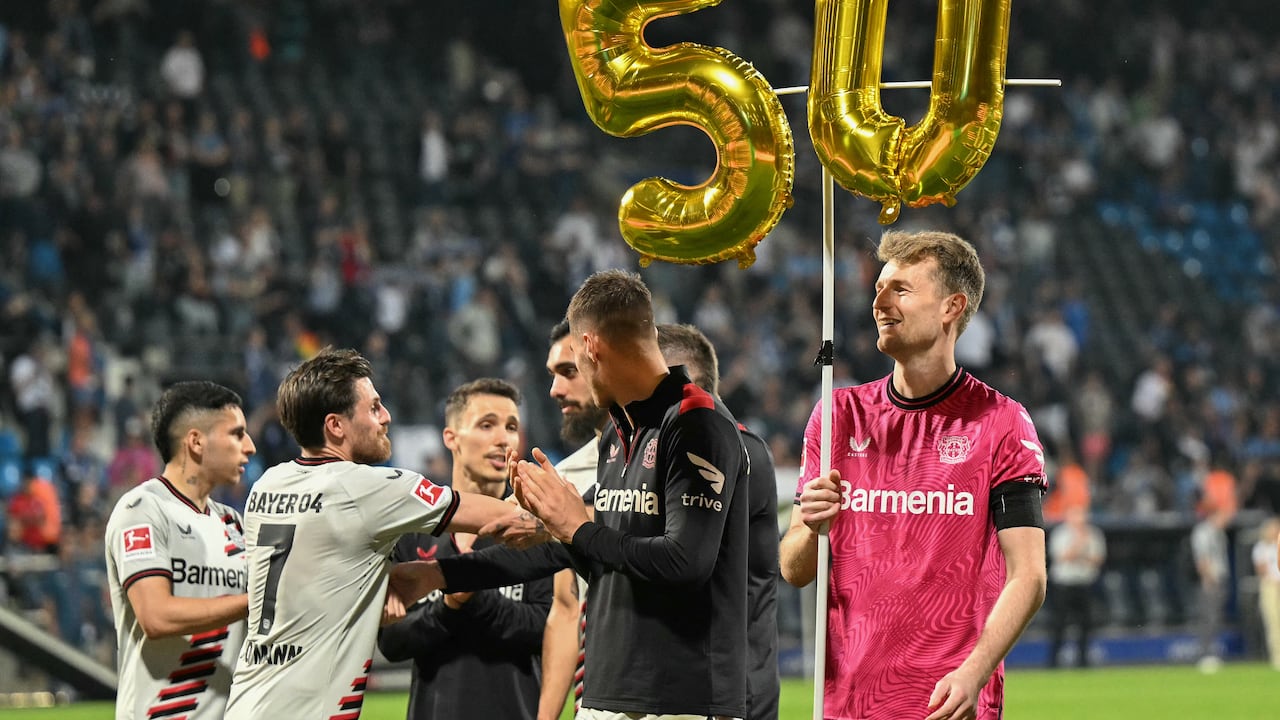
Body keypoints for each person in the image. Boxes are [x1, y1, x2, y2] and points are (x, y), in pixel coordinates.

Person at [423, 270, 751, 719]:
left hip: (679, 699)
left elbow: (685, 562)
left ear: (592, 347)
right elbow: (594, 554)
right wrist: (441, 576)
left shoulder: (698, 422)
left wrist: (575, 527)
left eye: (574, 360)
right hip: (609, 693)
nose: (565, 382)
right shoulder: (617, 432)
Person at [780, 230, 1048, 720]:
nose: (879, 301)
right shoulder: (837, 414)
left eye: (900, 289)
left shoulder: (1001, 422)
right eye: (878, 288)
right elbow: (794, 569)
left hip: (947, 703)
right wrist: (813, 528)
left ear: (951, 306)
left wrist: (975, 672)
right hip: (849, 703)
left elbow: (1028, 575)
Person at [223, 348, 539, 719]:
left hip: (248, 700)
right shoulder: (366, 488)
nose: (386, 417)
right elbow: (507, 519)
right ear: (335, 426)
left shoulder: (268, 484)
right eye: (373, 408)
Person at [377, 378, 553, 719]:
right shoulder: (413, 535)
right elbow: (392, 641)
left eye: (512, 427)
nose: (503, 439)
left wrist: (470, 596)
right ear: (451, 438)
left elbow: (543, 630)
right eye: (487, 425)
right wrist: (449, 608)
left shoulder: (532, 530)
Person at [104, 381, 257, 720]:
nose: (250, 447)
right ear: (196, 442)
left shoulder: (234, 523)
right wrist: (256, 601)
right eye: (236, 434)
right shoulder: (142, 509)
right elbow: (156, 616)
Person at [657, 322, 780, 720]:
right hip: (720, 687)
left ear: (683, 380)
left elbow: (678, 561)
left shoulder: (731, 451)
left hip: (726, 693)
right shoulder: (730, 446)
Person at [538, 319, 610, 720]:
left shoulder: (668, 454)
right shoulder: (566, 477)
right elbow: (567, 606)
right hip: (595, 705)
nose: (555, 390)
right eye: (553, 375)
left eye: (568, 372)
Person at [1047, 505, 1106, 668]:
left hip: (1085, 583)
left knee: (1086, 624)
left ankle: (1083, 661)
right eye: (1075, 516)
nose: (1079, 520)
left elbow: (1097, 559)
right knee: (1059, 624)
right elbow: (1062, 557)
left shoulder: (1094, 533)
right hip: (1064, 584)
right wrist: (1079, 544)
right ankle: (1053, 661)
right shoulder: (1061, 533)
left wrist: (1080, 553)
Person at [1191, 504, 1233, 673]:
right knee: (1209, 618)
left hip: (1220, 578)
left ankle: (1211, 652)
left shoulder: (1219, 533)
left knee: (1216, 618)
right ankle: (1205, 654)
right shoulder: (1203, 532)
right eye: (1222, 516)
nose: (1226, 520)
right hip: (1210, 580)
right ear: (1213, 515)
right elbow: (1202, 558)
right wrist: (1207, 579)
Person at [1252, 517, 1280, 669]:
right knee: (1273, 622)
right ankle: (1277, 657)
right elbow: (1261, 570)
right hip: (1270, 586)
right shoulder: (1261, 548)